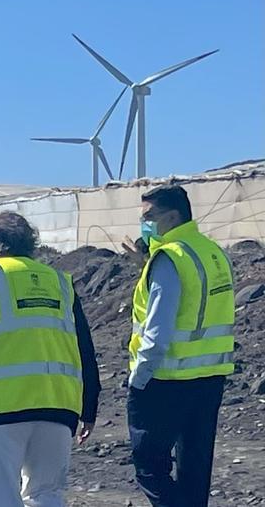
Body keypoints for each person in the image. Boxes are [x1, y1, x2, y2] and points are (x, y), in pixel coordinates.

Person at [0, 211, 100, 507]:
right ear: (31, 243)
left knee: (2, 498)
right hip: (58, 406)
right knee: (46, 494)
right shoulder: (60, 283)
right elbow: (84, 348)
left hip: (0, 410)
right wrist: (89, 406)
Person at [127, 184, 235, 507]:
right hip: (210, 377)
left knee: (149, 467)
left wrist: (138, 377)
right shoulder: (212, 252)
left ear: (172, 217)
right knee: (194, 473)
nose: (143, 224)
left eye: (149, 217)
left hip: (166, 380)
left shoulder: (169, 259)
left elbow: (158, 329)